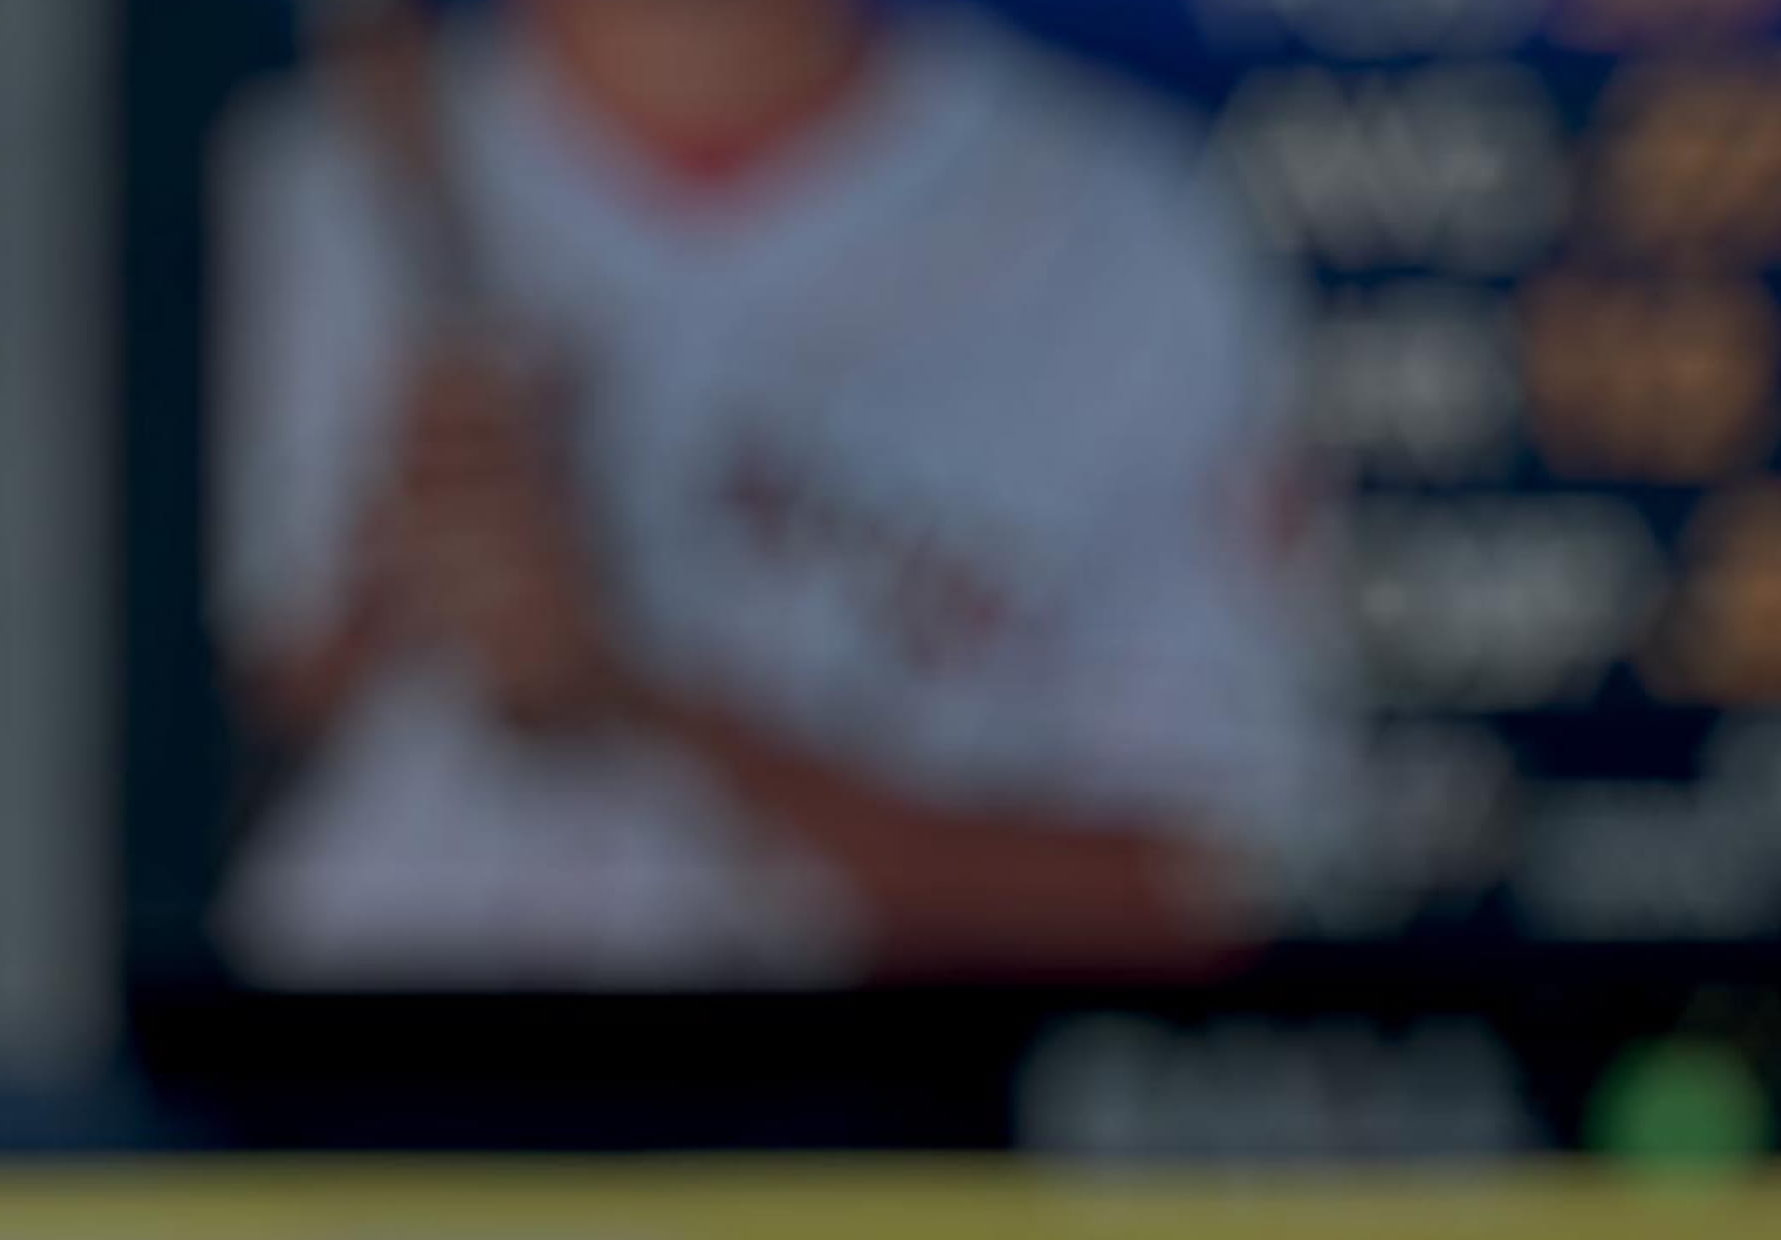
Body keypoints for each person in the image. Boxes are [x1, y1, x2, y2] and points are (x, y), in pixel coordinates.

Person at [209, 0, 1326, 988]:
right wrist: (395, 566)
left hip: (883, 1156)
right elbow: (106, 871)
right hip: (362, 1136)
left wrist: (637, 697)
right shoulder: (285, 197)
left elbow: (1189, 901)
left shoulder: (1122, 233)